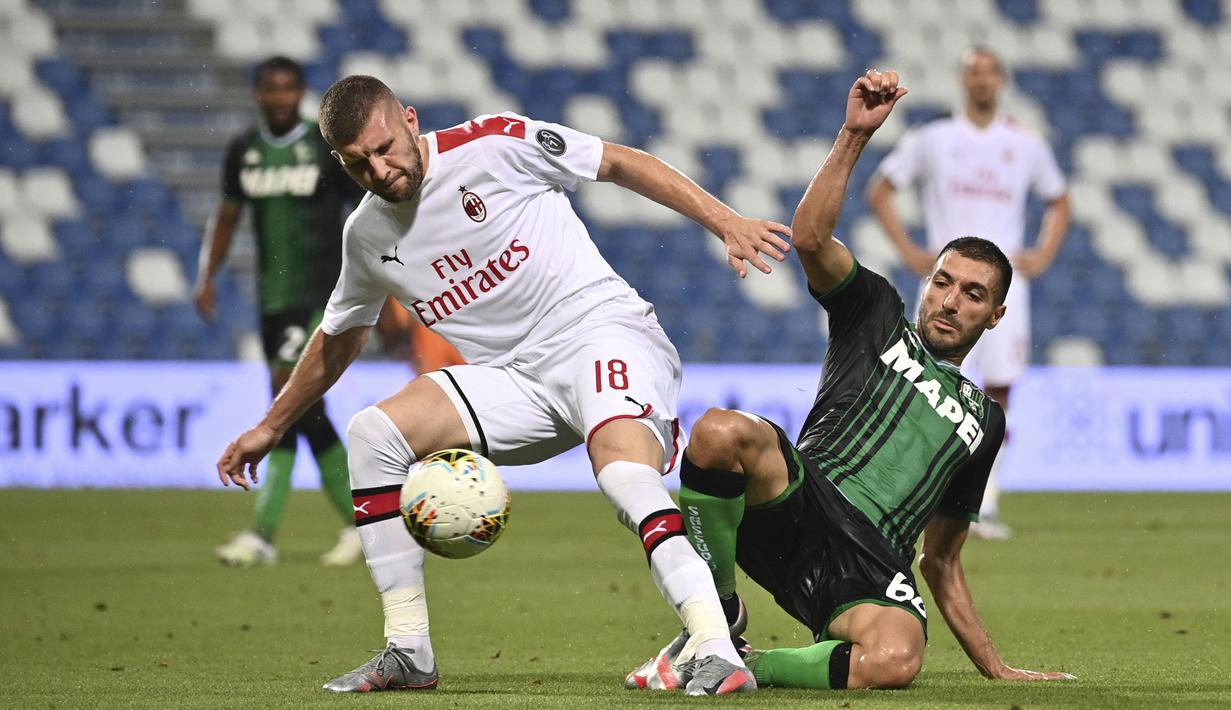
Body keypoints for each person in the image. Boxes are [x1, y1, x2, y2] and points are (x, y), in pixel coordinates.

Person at [216, 74, 793, 695]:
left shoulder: (495, 144)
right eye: (359, 163)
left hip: (602, 331)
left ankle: (714, 642)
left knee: (624, 474)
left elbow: (618, 163)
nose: (379, 170)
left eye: (385, 148)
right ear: (340, 161)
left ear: (410, 120)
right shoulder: (367, 236)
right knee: (371, 435)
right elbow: (340, 336)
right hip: (514, 381)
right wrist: (271, 426)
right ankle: (408, 650)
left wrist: (725, 221)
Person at [628, 69, 1075, 692]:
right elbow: (810, 238)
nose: (950, 301)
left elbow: (942, 560)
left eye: (973, 295)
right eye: (943, 282)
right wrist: (854, 136)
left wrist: (994, 665)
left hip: (872, 564)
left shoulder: (986, 420)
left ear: (995, 315)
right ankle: (718, 619)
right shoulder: (878, 312)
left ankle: (738, 664)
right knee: (718, 432)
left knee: (895, 660)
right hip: (800, 502)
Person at [867, 47, 1071, 540]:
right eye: (973, 72)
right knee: (925, 382)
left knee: (999, 391)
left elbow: (1060, 200)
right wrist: (912, 250)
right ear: (963, 80)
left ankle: (987, 501)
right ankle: (910, 493)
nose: (981, 81)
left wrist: (1042, 255)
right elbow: (881, 189)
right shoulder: (934, 138)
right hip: (946, 279)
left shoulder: (1023, 143)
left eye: (989, 72)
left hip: (1004, 287)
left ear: (1000, 79)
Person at [195, 56, 363, 567]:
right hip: (273, 298)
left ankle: (268, 534)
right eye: (271, 89)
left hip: (322, 292)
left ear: (302, 93)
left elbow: (365, 206)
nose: (281, 97)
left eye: (289, 89)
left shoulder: (322, 146)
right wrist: (208, 274)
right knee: (297, 409)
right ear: (259, 95)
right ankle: (360, 527)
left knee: (287, 402)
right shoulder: (243, 151)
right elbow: (227, 218)